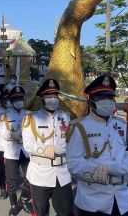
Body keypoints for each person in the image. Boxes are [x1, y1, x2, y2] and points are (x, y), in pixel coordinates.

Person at [66, 74, 128, 216]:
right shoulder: (79, 127)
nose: (107, 101)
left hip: (122, 200)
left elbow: (127, 152)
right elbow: (73, 164)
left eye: (110, 98)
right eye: (101, 97)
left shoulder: (120, 124)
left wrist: (127, 166)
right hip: (93, 202)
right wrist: (104, 170)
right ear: (91, 101)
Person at [22, 79, 73, 216]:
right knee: (41, 212)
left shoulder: (65, 118)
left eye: (55, 96)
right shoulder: (31, 118)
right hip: (40, 173)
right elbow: (27, 144)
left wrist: (58, 149)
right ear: (42, 98)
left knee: (66, 212)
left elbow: (71, 142)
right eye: (49, 96)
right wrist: (44, 149)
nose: (53, 99)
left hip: (62, 173)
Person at [1, 86, 33, 215]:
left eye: (21, 98)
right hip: (11, 152)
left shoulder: (29, 114)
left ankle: (24, 200)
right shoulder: (5, 115)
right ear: (11, 100)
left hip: (26, 151)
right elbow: (3, 133)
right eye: (16, 99)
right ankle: (14, 204)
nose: (19, 101)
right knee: (11, 181)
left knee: (29, 178)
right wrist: (13, 135)